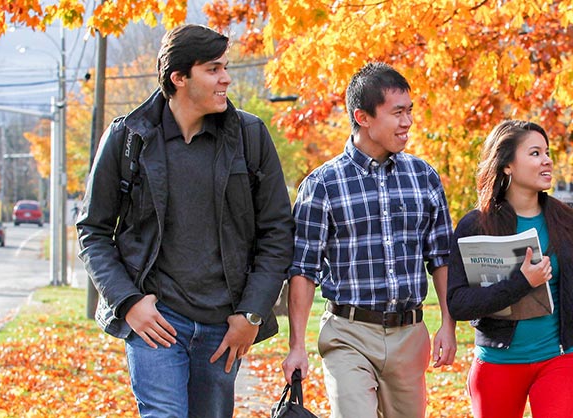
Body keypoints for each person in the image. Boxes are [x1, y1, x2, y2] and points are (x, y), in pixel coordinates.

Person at [76, 24, 293, 417]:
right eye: (213, 69)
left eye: (225, 67)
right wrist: (128, 303)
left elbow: (277, 231)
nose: (226, 78)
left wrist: (252, 314)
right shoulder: (130, 137)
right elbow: (92, 229)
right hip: (156, 321)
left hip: (223, 327)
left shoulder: (250, 136)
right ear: (179, 78)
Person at [281, 62, 457, 418]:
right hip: (348, 333)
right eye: (397, 113)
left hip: (410, 335)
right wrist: (296, 346)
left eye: (409, 111)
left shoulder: (423, 177)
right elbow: (303, 270)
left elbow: (441, 257)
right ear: (363, 117)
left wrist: (449, 325)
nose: (407, 122)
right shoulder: (322, 185)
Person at [446, 120, 573, 418]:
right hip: (496, 362)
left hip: (559, 360)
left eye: (547, 152)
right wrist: (521, 282)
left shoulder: (572, 225)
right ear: (507, 165)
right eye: (534, 153)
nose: (547, 160)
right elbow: (459, 304)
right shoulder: (475, 226)